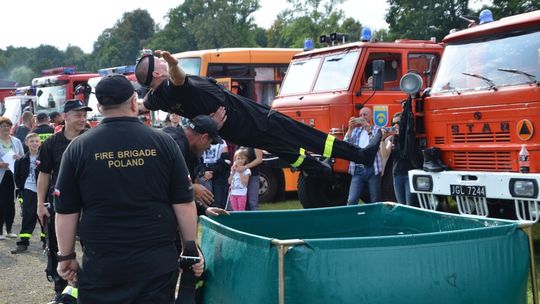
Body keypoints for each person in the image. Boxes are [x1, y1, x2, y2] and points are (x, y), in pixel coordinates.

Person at [54, 74, 202, 303]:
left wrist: (66, 256)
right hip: (156, 265)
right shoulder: (164, 143)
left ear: (100, 108)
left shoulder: (78, 148)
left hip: (103, 264)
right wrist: (189, 248)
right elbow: (183, 201)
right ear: (134, 102)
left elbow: (66, 210)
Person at [135, 50, 382, 176]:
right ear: (157, 74)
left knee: (281, 146)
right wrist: (174, 63)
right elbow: (178, 80)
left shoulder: (157, 97)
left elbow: (142, 104)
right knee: (304, 134)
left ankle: (318, 170)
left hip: (240, 129)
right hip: (249, 118)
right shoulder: (170, 86)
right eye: (159, 63)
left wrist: (124, 102)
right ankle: (360, 155)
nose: (163, 63)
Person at [36, 99, 92, 299]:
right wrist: (40, 205)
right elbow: (44, 175)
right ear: (65, 116)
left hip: (89, 201)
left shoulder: (90, 138)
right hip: (61, 203)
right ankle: (61, 289)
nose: (82, 119)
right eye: (78, 114)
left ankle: (91, 286)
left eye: (84, 115)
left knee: (91, 242)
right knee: (58, 246)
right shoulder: (52, 143)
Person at [162, 115, 229, 217]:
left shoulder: (190, 150)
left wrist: (205, 209)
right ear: (204, 138)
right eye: (210, 142)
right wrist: (190, 188)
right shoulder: (173, 144)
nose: (209, 147)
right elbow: (156, 180)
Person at [11, 132, 45, 253]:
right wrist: (22, 190)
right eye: (31, 141)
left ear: (40, 143)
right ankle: (23, 243)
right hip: (28, 190)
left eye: (36, 141)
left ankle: (46, 241)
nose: (34, 143)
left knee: (45, 217)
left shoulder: (45, 158)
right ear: (26, 143)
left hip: (43, 190)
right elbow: (17, 176)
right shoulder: (21, 160)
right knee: (28, 216)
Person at [344, 107, 384, 205]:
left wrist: (368, 130)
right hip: (357, 169)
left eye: (365, 115)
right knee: (351, 200)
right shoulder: (356, 131)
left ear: (371, 116)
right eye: (360, 115)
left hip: (373, 169)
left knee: (375, 200)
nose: (362, 117)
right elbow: (345, 144)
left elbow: (375, 147)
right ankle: (353, 219)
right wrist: (350, 128)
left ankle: (375, 219)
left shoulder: (377, 130)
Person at [383, 112, 420, 207]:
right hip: (397, 175)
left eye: (398, 123)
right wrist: (382, 140)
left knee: (410, 204)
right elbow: (385, 153)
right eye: (393, 123)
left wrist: (401, 135)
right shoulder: (392, 138)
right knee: (401, 205)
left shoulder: (409, 137)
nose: (395, 126)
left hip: (409, 174)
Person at [0, 117, 24, 240]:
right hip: (1, 176)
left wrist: (18, 157)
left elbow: (23, 157)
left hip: (12, 176)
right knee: (1, 203)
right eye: (3, 126)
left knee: (11, 203)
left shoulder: (16, 141)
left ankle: (9, 230)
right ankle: (0, 232)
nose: (6, 128)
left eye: (8, 126)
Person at [198, 141, 230, 209]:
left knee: (218, 202)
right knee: (205, 201)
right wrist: (204, 172)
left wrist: (212, 171)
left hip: (219, 175)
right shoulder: (203, 139)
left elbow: (225, 161)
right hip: (205, 175)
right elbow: (198, 160)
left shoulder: (222, 142)